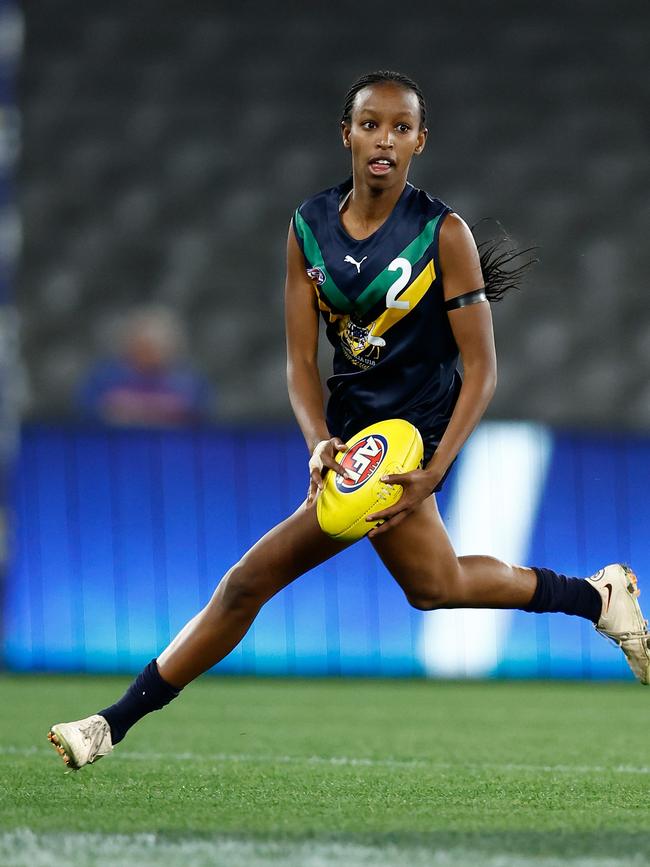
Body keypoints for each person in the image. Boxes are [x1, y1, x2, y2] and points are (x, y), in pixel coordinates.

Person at [48, 70, 649, 770]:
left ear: (421, 140)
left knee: (250, 580)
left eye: (400, 127)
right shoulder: (307, 228)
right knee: (436, 585)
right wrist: (317, 442)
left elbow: (483, 370)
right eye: (370, 124)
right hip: (355, 436)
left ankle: (110, 724)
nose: (384, 139)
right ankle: (599, 596)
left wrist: (432, 471)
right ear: (347, 133)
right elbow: (300, 362)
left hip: (407, 441)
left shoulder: (442, 234)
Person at [76, 305, 213, 427]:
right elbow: (87, 413)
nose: (149, 351)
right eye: (143, 344)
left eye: (157, 345)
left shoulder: (191, 382)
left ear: (173, 346)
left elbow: (201, 417)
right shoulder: (103, 378)